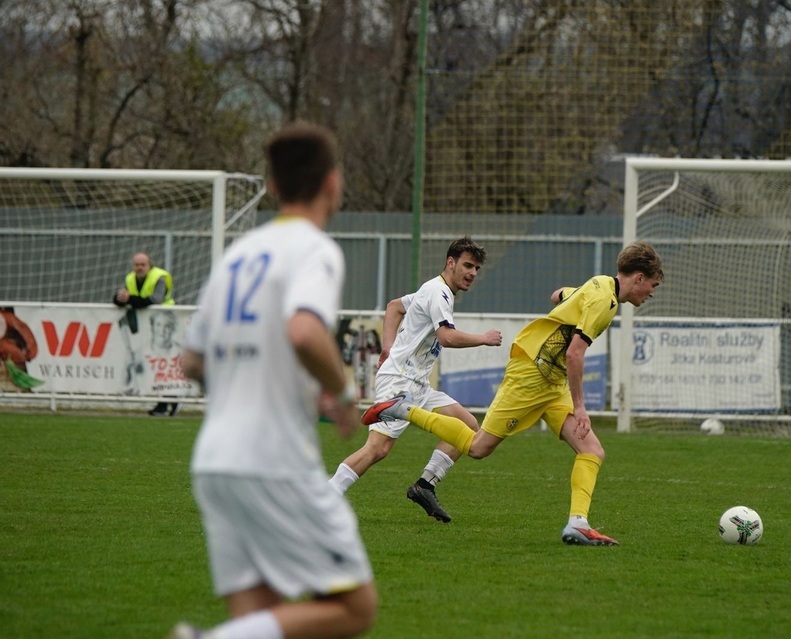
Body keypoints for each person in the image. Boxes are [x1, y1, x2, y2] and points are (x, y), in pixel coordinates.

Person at [169, 121, 377, 639]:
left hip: (215, 459)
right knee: (354, 607)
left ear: (272, 185)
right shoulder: (314, 249)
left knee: (258, 621)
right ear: (332, 183)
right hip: (273, 458)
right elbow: (304, 331)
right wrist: (343, 392)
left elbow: (191, 362)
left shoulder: (237, 255)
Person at [362, 241, 663, 546]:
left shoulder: (600, 284)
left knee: (592, 450)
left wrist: (570, 300)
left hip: (552, 380)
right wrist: (581, 407)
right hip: (532, 373)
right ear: (639, 277)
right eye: (652, 285)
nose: (652, 292)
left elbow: (558, 294)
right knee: (478, 447)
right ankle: (402, 409)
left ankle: (578, 524)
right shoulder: (604, 302)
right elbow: (575, 354)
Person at [328, 237, 503, 522]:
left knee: (468, 425)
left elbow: (394, 306)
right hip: (400, 381)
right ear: (451, 263)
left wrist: (387, 347)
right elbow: (446, 337)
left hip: (418, 383)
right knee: (377, 449)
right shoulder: (439, 292)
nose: (472, 273)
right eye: (467, 265)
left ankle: (425, 485)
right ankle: (327, 495)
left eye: (476, 268)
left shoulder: (433, 289)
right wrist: (483, 338)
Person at [112, 251, 179, 416]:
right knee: (152, 363)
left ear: (150, 265)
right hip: (146, 327)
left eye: (143, 265)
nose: (139, 268)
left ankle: (168, 401)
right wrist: (119, 298)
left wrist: (129, 299)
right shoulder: (130, 279)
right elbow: (122, 297)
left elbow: (155, 300)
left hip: (165, 324)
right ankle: (168, 400)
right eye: (137, 265)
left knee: (165, 362)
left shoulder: (159, 278)